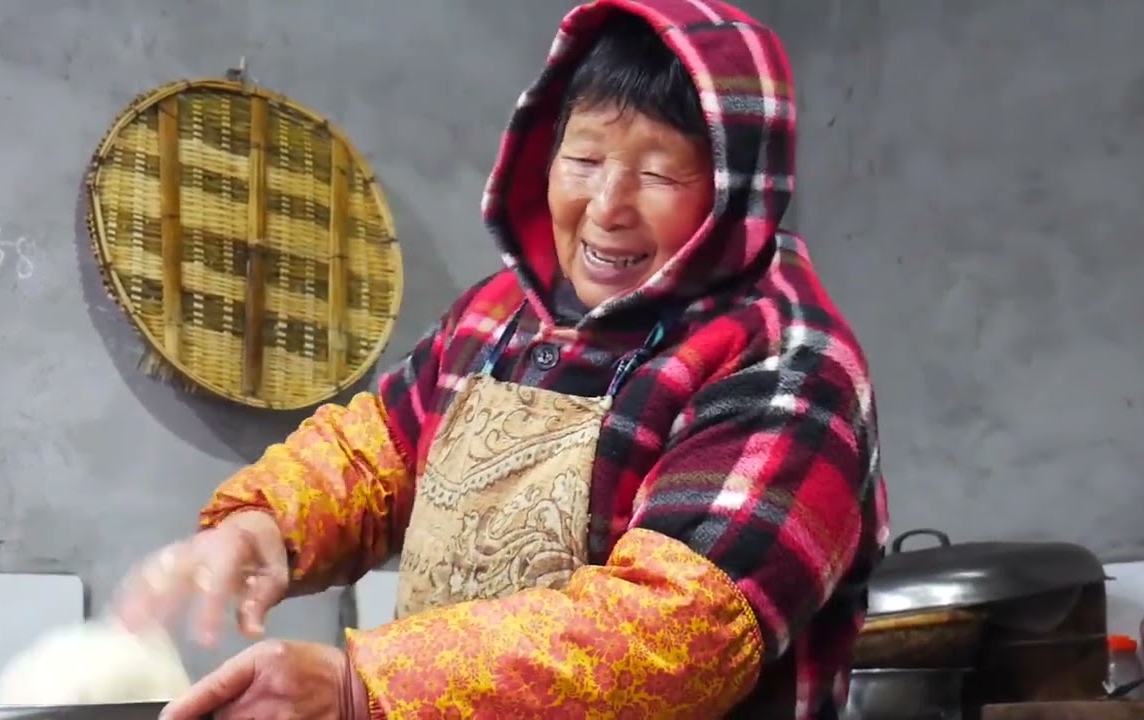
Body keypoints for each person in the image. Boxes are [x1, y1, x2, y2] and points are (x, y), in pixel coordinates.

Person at [116, 0, 889, 717]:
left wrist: (364, 686)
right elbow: (379, 449)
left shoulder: (785, 363)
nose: (607, 207)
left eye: (658, 174)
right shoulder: (499, 319)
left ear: (734, 190)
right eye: (584, 160)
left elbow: (680, 635)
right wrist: (262, 526)